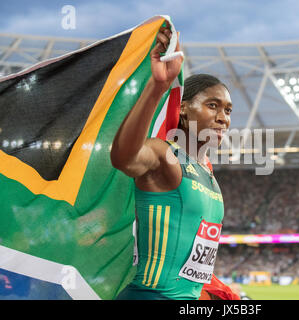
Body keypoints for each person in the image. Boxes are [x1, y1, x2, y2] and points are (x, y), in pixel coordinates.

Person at [110, 22, 237, 300]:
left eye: (227, 110)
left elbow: (192, 271)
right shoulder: (164, 156)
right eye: (212, 105)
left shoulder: (208, 174)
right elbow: (124, 157)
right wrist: (159, 87)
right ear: (182, 110)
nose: (223, 117)